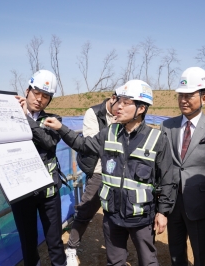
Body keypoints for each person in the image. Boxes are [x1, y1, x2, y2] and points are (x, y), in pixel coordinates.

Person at [44, 80, 176, 266]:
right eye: (118, 101)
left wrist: (163, 212)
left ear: (141, 108)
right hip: (113, 215)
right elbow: (83, 145)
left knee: (148, 262)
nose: (118, 107)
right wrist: (61, 128)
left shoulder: (157, 139)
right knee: (115, 262)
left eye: (125, 102)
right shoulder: (109, 133)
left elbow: (168, 179)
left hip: (141, 217)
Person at [161, 67, 205, 266]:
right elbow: (163, 165)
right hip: (173, 203)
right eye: (181, 96)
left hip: (201, 204)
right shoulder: (167, 126)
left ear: (204, 98)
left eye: (189, 95)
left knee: (200, 254)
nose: (183, 100)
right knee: (175, 252)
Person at [14, 70, 66, 266]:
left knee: (54, 240)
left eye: (46, 96)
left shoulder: (53, 119)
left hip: (48, 191)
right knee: (28, 241)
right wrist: (13, 113)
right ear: (27, 91)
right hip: (22, 191)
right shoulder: (10, 115)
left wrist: (24, 117)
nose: (40, 99)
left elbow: (48, 142)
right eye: (36, 93)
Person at [65, 91, 118, 266]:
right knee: (86, 209)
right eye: (121, 103)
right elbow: (92, 143)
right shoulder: (93, 113)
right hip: (99, 170)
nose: (123, 108)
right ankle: (71, 248)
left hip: (119, 171)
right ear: (112, 98)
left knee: (116, 213)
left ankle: (116, 253)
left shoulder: (125, 112)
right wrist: (115, 128)